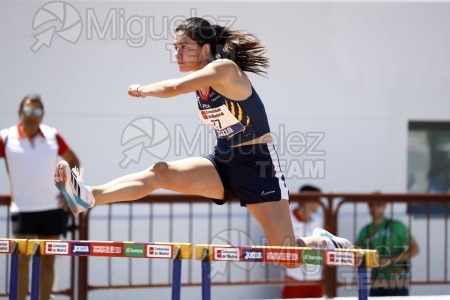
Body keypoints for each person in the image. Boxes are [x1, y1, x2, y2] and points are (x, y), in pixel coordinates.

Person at [54, 17, 353, 268]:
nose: (178, 53)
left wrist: (141, 90)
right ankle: (88, 196)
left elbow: (173, 87)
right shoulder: (203, 82)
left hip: (257, 165)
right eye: (175, 47)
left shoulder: (223, 69)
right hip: (222, 162)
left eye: (185, 47)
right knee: (161, 172)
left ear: (206, 49)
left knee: (287, 256)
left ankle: (323, 241)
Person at [0, 94, 80, 300]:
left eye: (36, 111)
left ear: (42, 114)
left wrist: (70, 193)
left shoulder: (52, 136)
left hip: (52, 209)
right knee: (20, 263)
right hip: (22, 210)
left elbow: (73, 160)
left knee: (47, 263)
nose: (31, 116)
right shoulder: (6, 137)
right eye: (28, 111)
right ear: (20, 113)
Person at [356, 200, 420, 296]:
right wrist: (374, 260)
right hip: (377, 280)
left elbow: (415, 249)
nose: (374, 209)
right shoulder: (365, 231)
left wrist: (391, 260)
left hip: (398, 279)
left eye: (378, 204)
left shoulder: (397, 226)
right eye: (371, 205)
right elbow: (358, 255)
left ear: (385, 206)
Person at [282, 185, 324, 298]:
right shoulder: (287, 219)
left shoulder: (318, 220)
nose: (320, 203)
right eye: (317, 199)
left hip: (316, 280)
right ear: (308, 200)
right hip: (294, 279)